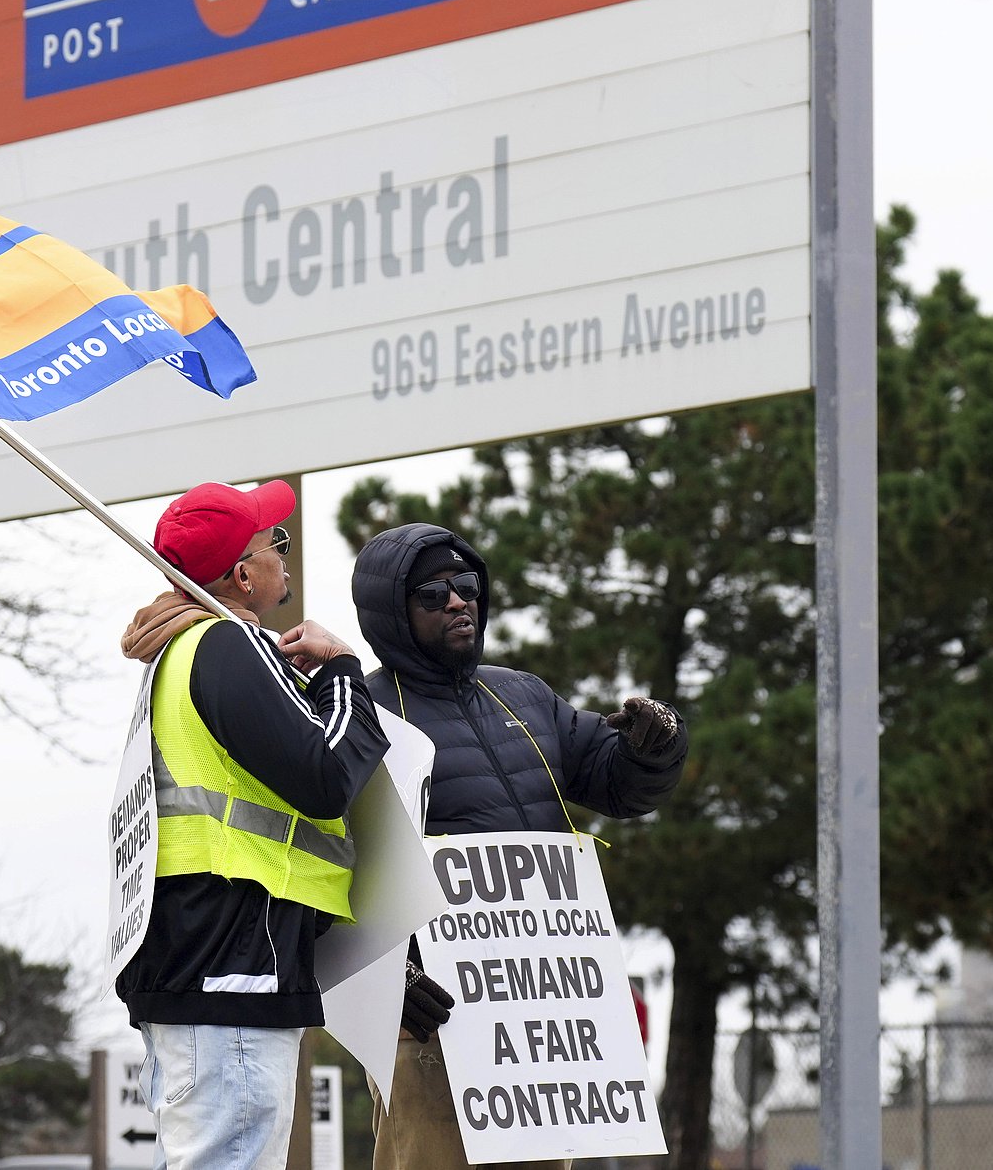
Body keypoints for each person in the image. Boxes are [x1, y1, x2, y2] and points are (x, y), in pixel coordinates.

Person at [350, 522, 689, 1170]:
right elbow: (324, 859)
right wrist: (384, 977)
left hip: (535, 1024)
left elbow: (614, 780)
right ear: (392, 613)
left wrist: (654, 746)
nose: (457, 601)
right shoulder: (364, 713)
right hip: (431, 1021)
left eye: (467, 585)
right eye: (432, 594)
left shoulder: (523, 695)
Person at [116, 480, 389, 1170]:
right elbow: (328, 775)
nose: (285, 560)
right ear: (242, 574)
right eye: (277, 544)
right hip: (233, 963)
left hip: (202, 959)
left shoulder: (176, 655)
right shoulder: (226, 644)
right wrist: (344, 673)